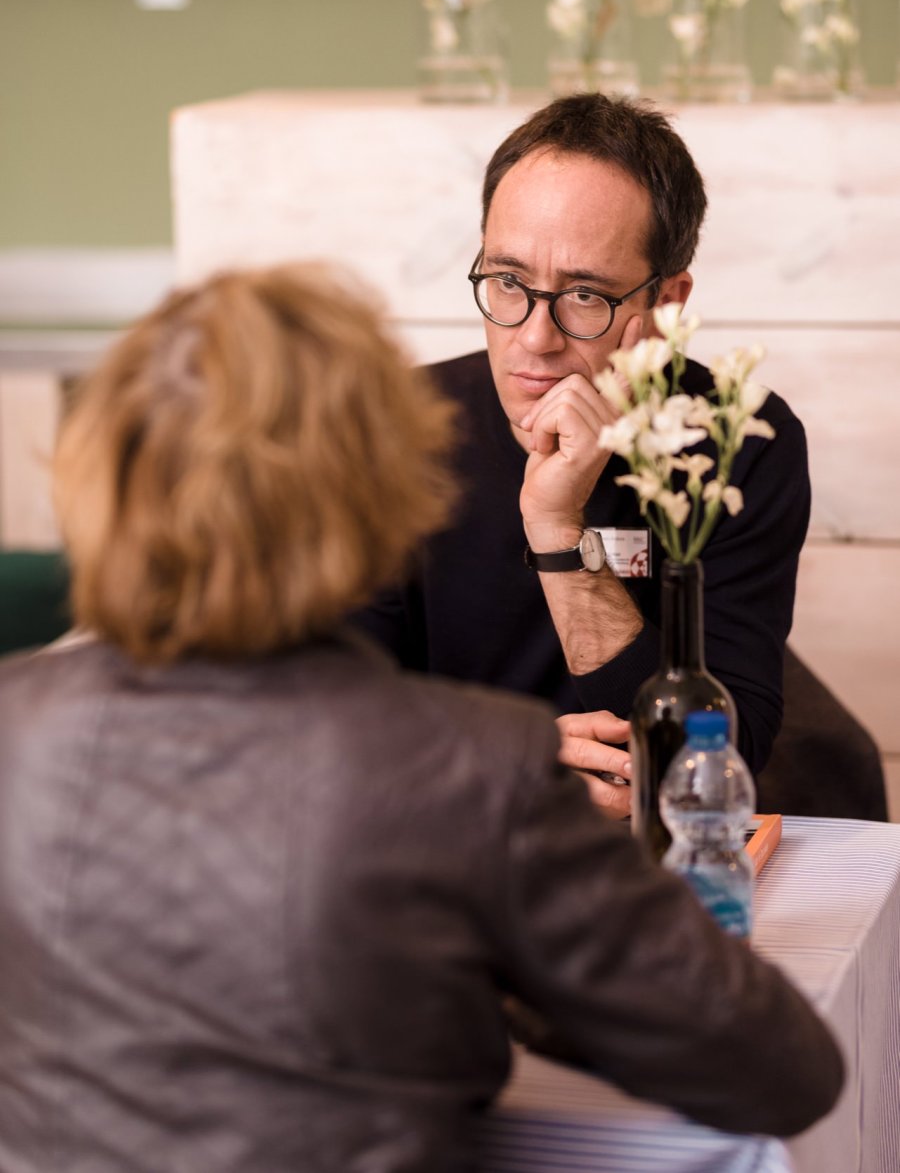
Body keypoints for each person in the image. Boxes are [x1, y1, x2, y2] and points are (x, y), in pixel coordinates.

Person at [0, 265, 841, 1172]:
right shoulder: (476, 771)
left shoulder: (16, 724)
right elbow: (784, 1070)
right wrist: (511, 974)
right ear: (388, 487)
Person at [355, 93, 810, 818]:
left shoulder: (736, 439)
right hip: (444, 842)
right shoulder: (388, 430)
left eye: (585, 296)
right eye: (507, 281)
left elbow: (720, 757)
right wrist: (508, 763)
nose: (535, 338)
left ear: (665, 306)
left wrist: (558, 530)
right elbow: (328, 721)